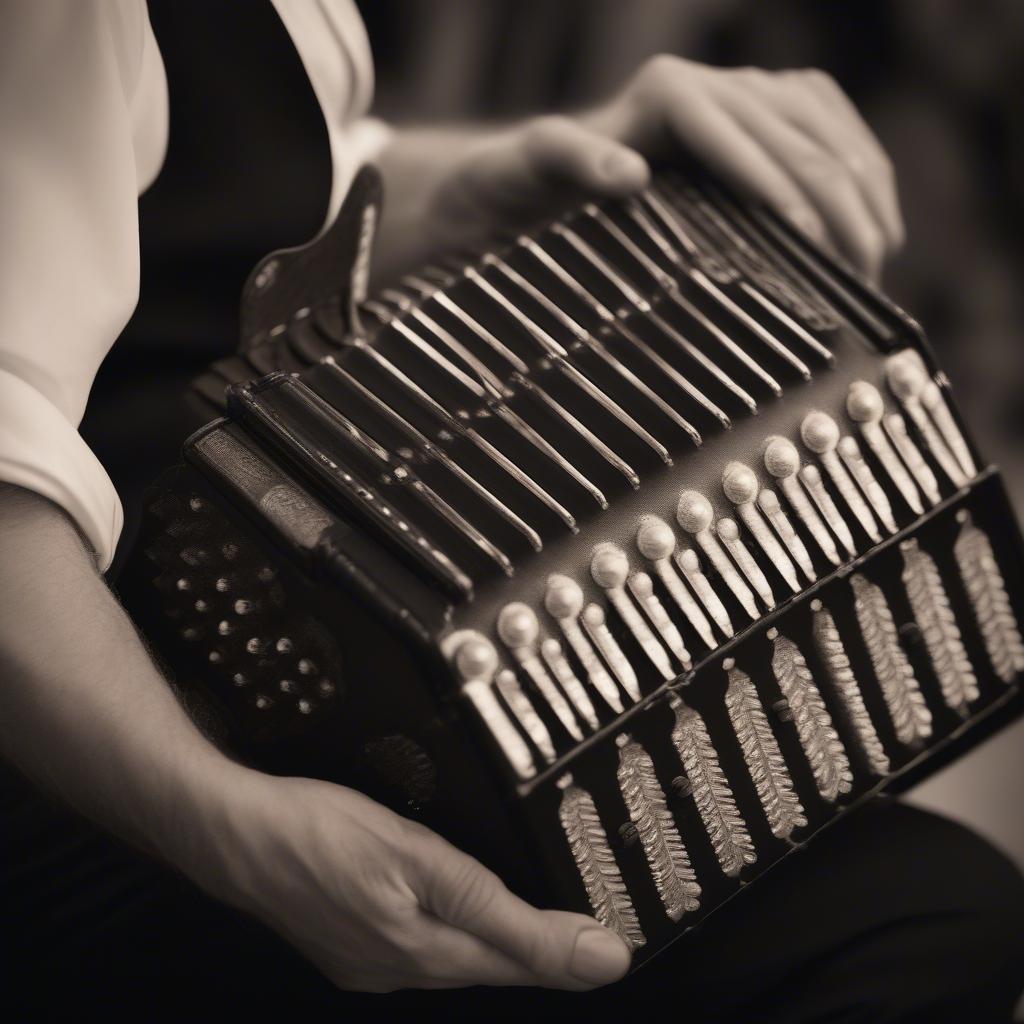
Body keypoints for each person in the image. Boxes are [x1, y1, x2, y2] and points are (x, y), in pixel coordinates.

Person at [1, 1, 1021, 1018]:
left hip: (204, 620)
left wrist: (481, 184)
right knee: (918, 925)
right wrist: (225, 827)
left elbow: (167, 198)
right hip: (83, 730)